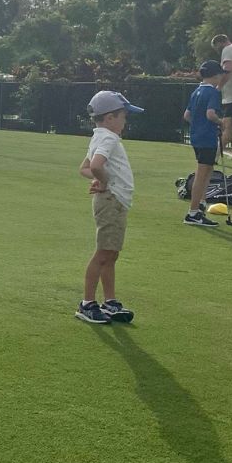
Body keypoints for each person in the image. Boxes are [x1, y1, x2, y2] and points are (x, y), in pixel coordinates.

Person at [77, 90, 142, 325]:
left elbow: (84, 168)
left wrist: (99, 178)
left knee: (111, 253)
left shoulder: (100, 136)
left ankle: (110, 301)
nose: (125, 121)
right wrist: (103, 181)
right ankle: (87, 303)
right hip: (111, 201)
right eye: (123, 116)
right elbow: (94, 166)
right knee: (104, 253)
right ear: (110, 117)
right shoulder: (108, 138)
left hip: (116, 200)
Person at [183, 61, 227, 227]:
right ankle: (193, 213)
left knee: (206, 170)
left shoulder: (196, 91)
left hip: (197, 137)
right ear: (215, 75)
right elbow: (210, 114)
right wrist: (220, 122)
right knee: (202, 174)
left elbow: (187, 115)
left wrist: (198, 124)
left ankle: (201, 202)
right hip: (207, 137)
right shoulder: (213, 93)